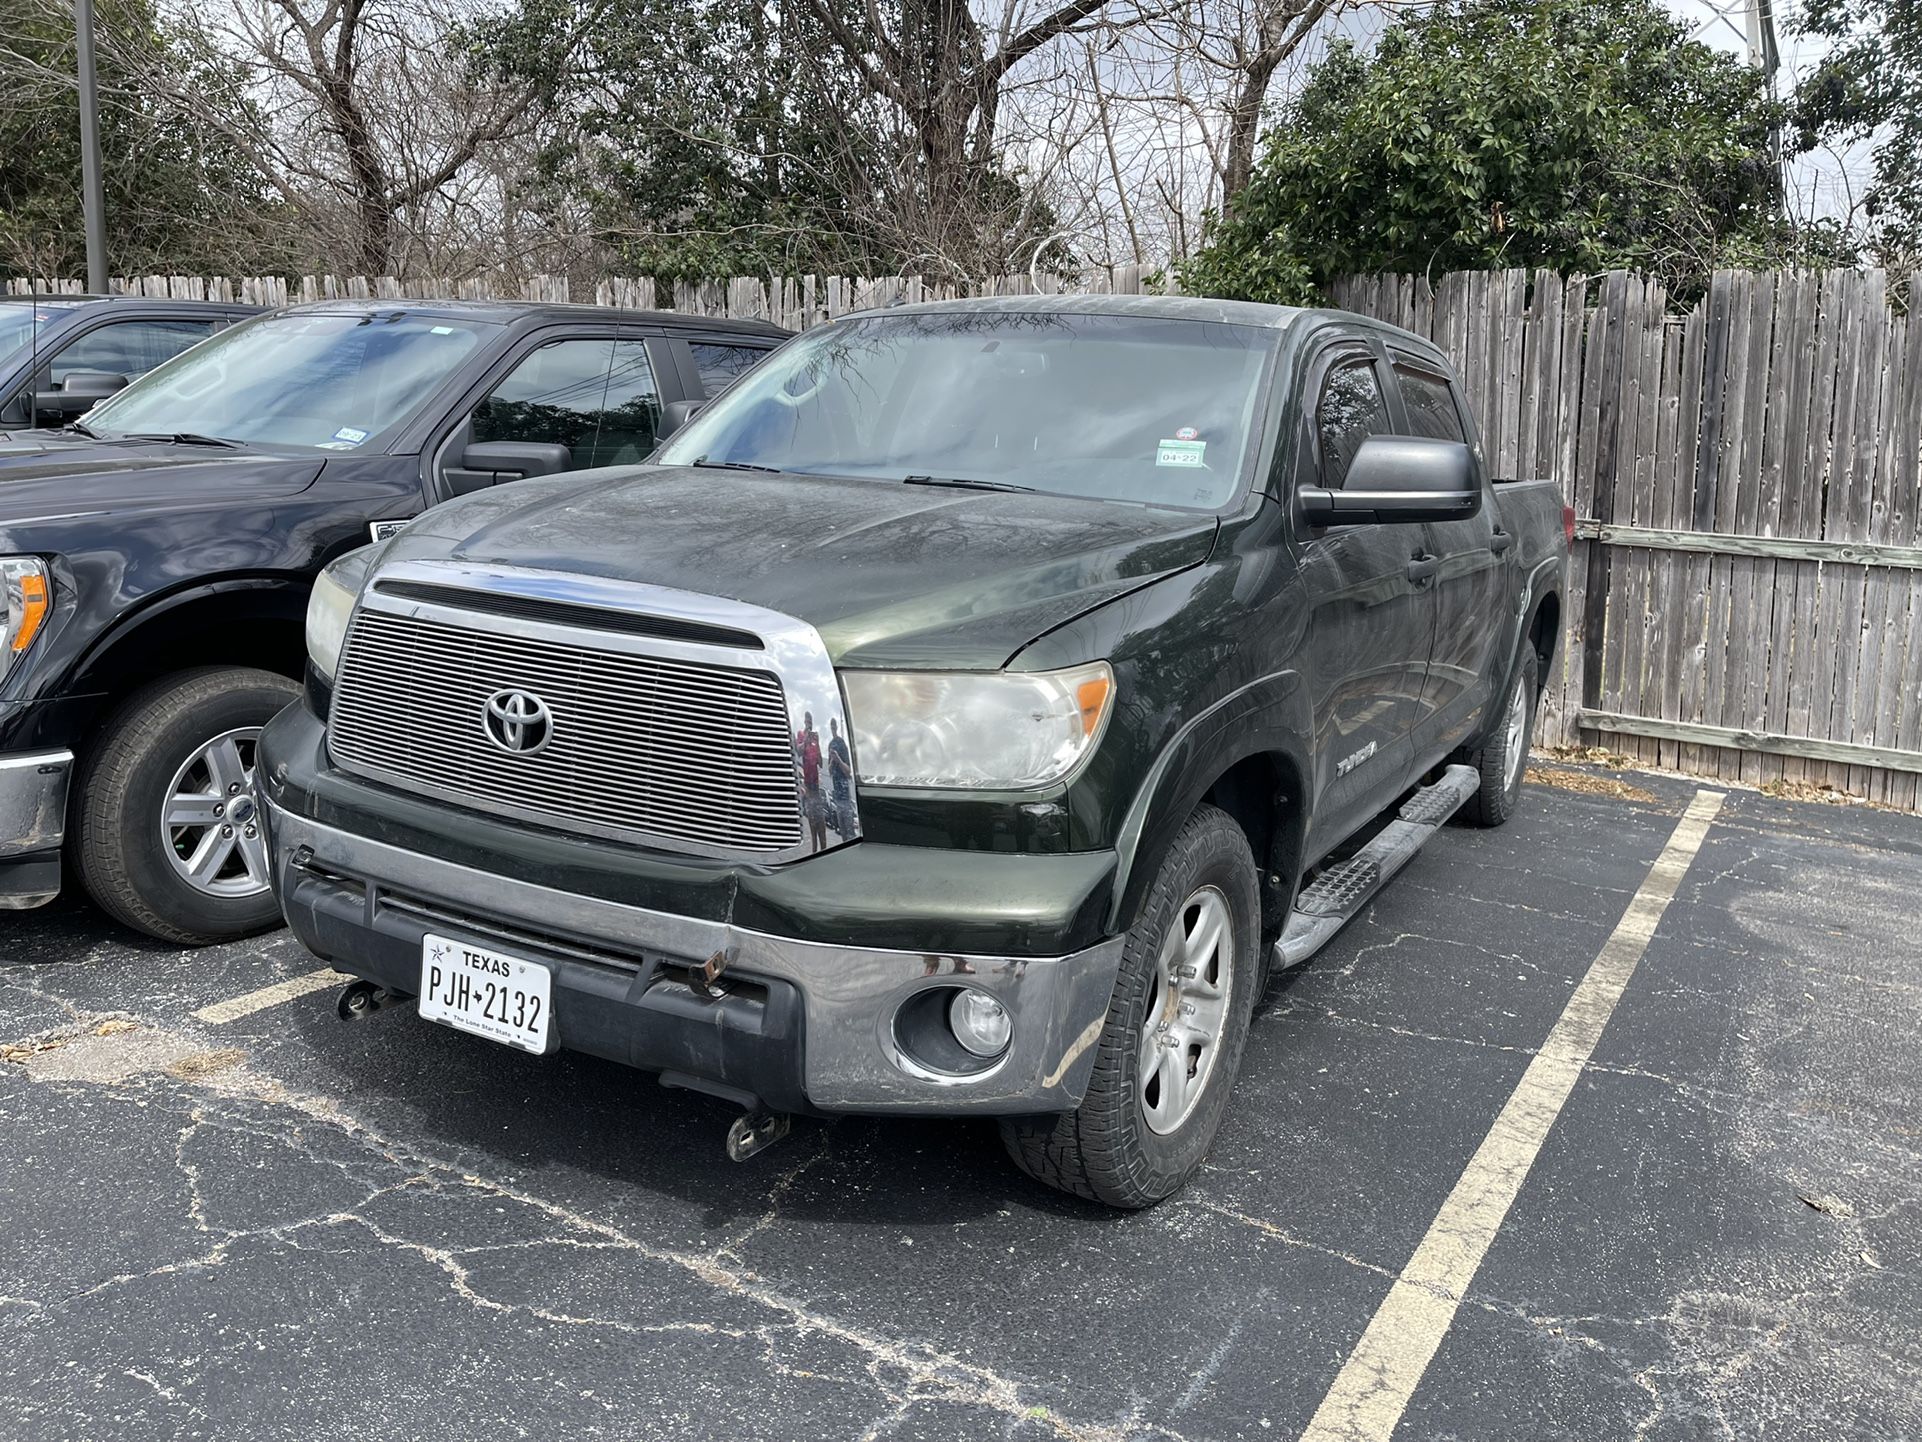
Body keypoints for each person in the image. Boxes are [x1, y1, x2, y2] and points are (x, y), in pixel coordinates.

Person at [795, 711, 826, 851]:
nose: (809, 722)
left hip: (816, 786)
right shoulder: (801, 735)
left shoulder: (815, 738)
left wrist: (818, 744)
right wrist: (806, 737)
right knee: (812, 823)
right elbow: (799, 751)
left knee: (822, 822)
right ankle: (814, 851)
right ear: (804, 721)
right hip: (807, 787)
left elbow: (821, 763)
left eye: (811, 720)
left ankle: (824, 850)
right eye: (807, 720)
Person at [827, 717, 854, 839]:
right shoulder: (830, 745)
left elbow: (848, 773)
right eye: (831, 726)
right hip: (837, 798)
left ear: (837, 727)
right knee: (842, 832)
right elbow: (829, 771)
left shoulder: (842, 744)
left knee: (850, 832)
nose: (832, 729)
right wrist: (832, 761)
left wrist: (838, 759)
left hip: (845, 797)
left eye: (834, 726)